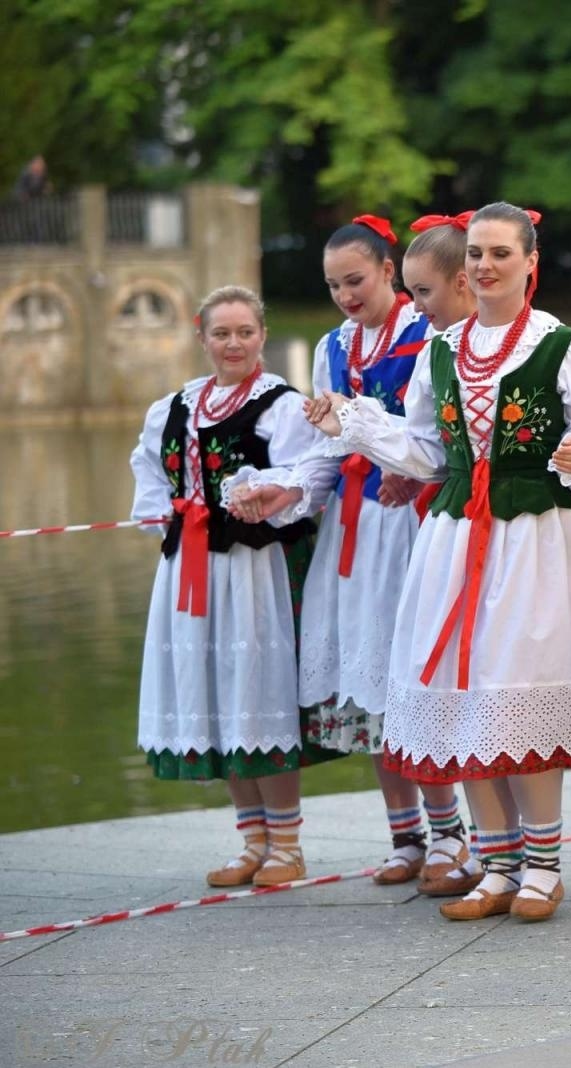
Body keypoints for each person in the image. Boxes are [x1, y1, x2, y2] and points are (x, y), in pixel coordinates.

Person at [307, 202, 571, 922]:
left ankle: (543, 864)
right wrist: (354, 424)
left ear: (530, 262)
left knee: (521, 688)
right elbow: (425, 452)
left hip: (535, 536)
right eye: (477, 254)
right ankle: (498, 860)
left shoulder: (562, 346)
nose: (484, 266)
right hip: (453, 540)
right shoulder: (440, 351)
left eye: (499, 254)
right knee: (464, 698)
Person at [225, 215, 473, 895]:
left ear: (389, 271)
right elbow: (327, 454)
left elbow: (450, 435)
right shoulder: (336, 347)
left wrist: (417, 469)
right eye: (333, 284)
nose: (344, 294)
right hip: (355, 531)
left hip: (414, 525)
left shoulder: (431, 333)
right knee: (369, 694)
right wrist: (287, 492)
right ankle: (407, 837)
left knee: (415, 681)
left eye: (355, 279)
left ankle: (454, 835)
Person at [129, 285, 334, 887]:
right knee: (217, 697)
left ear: (262, 336)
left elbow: (303, 479)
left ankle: (287, 846)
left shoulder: (280, 405)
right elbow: (148, 474)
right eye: (222, 333)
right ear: (202, 337)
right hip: (191, 567)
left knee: (257, 693)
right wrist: (169, 513)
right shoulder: (174, 407)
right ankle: (251, 839)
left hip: (255, 568)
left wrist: (259, 495)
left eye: (245, 332)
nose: (234, 343)